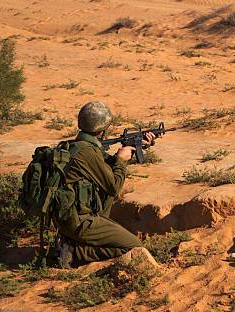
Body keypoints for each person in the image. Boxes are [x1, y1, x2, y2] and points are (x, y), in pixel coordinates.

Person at [55, 101, 158, 268]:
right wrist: (121, 161)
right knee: (132, 245)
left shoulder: (76, 146)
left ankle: (74, 243)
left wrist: (136, 146)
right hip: (80, 221)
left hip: (69, 219)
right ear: (103, 130)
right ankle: (75, 252)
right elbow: (113, 187)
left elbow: (105, 167)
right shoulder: (88, 153)